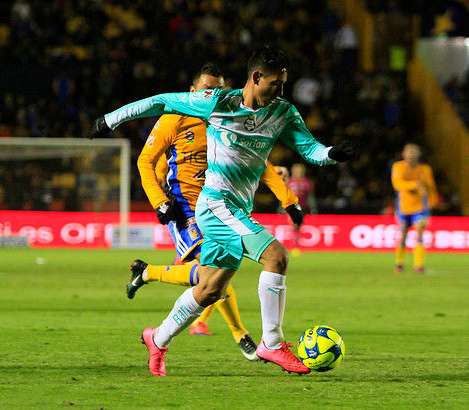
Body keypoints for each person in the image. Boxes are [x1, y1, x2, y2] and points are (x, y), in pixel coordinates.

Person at [90, 46, 354, 376]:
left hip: (237, 207)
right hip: (215, 206)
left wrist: (332, 153)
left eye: (284, 85)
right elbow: (159, 101)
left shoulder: (283, 113)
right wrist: (109, 120)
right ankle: (271, 343)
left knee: (210, 287)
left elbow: (310, 149)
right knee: (277, 257)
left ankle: (157, 338)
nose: (281, 92)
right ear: (256, 77)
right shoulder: (218, 102)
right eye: (276, 84)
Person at [130, 63, 304, 361]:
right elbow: (148, 162)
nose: (212, 94)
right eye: (206, 88)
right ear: (192, 92)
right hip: (185, 206)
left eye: (218, 89)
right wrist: (159, 200)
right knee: (210, 276)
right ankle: (243, 336)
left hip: (224, 202)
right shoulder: (175, 118)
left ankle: (147, 276)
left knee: (210, 278)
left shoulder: (227, 117)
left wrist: (286, 196)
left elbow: (250, 160)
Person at [391, 143, 437, 273]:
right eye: (409, 152)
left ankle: (419, 265)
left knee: (420, 230)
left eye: (414, 152)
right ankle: (399, 263)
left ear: (419, 154)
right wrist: (414, 184)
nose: (411, 154)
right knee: (403, 233)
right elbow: (397, 184)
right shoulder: (398, 167)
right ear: (403, 154)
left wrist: (432, 203)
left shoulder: (425, 169)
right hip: (403, 208)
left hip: (420, 207)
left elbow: (431, 187)